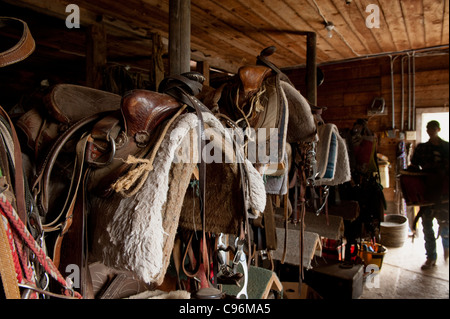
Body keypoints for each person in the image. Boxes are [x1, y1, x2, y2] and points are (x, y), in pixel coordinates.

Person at [410, 120, 449, 270]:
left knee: (445, 223)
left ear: (438, 129)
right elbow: (413, 165)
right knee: (427, 224)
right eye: (428, 128)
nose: (430, 130)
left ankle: (447, 250)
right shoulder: (422, 148)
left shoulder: (447, 147)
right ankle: (431, 257)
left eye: (432, 128)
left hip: (444, 192)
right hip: (427, 190)